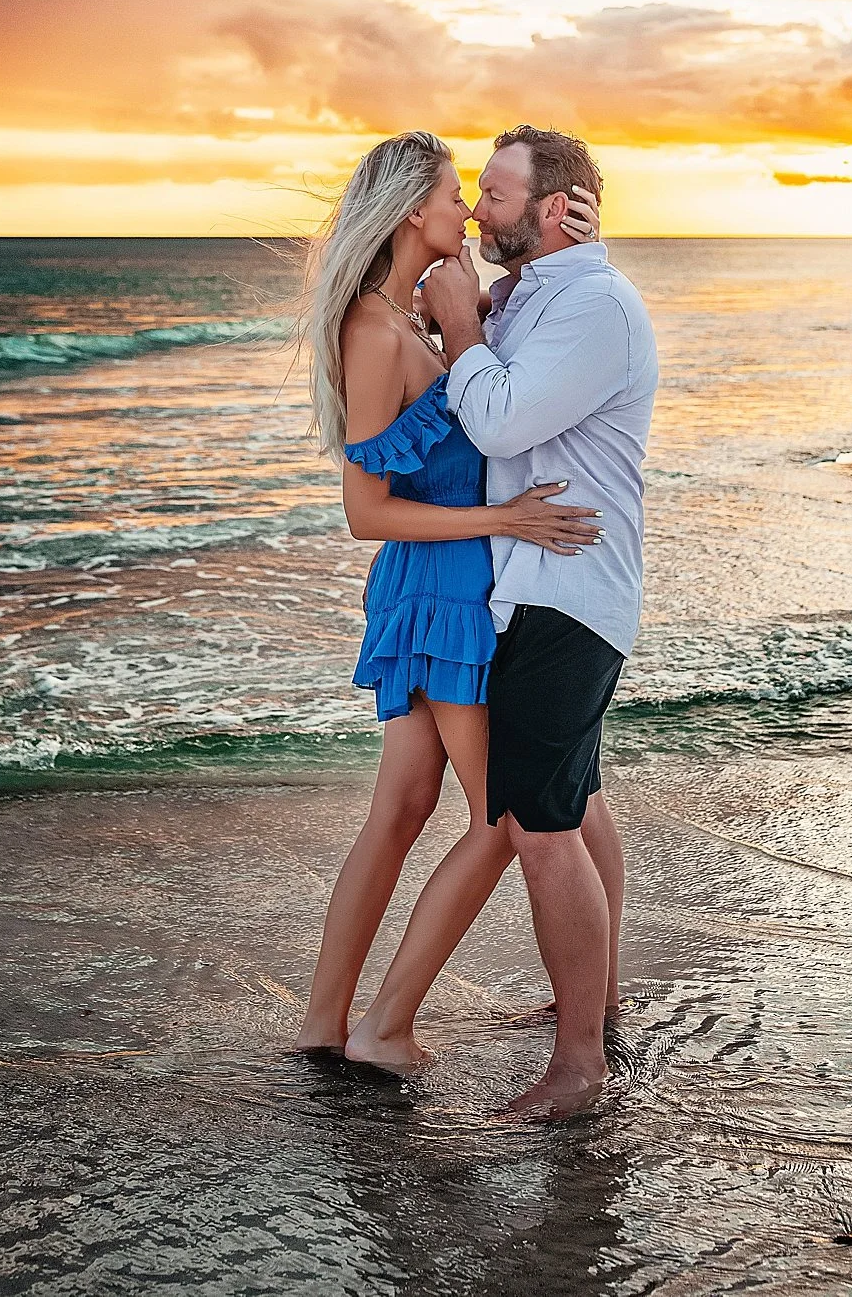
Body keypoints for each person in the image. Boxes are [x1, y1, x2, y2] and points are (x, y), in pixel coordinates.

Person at [294, 130, 602, 1061]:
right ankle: (384, 1032)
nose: (464, 209)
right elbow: (365, 512)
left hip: (443, 587)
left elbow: (519, 328)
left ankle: (321, 1025)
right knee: (501, 822)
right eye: (450, 193)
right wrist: (501, 519)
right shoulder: (375, 331)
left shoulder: (419, 315)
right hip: (442, 593)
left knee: (400, 808)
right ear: (405, 214)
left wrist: (584, 248)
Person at [421, 126, 659, 1116]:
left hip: (565, 590)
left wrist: (463, 332)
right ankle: (593, 1009)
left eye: (495, 193)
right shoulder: (541, 292)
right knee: (578, 798)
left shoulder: (591, 303)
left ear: (553, 209)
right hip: (546, 585)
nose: (477, 209)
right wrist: (472, 311)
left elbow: (503, 421)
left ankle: (577, 1070)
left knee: (537, 825)